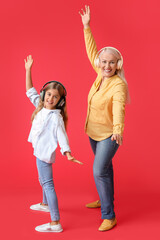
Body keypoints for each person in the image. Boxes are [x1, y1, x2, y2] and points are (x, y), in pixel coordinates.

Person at [79, 6, 130, 231]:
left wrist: (118, 129)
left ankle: (109, 215)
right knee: (105, 170)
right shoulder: (100, 73)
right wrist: (87, 26)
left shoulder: (118, 85)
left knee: (99, 170)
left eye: (111, 62)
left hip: (109, 135)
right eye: (104, 62)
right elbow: (92, 51)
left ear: (118, 64)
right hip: (93, 131)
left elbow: (119, 108)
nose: (106, 66)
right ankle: (104, 196)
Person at [25, 55, 83, 233]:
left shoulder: (56, 117)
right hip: (38, 151)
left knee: (48, 184)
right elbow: (30, 91)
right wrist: (28, 70)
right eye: (49, 94)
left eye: (55, 96)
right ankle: (44, 204)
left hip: (45, 153)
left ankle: (55, 222)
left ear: (60, 101)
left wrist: (67, 152)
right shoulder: (40, 106)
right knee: (42, 180)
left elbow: (62, 136)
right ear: (44, 94)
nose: (51, 98)